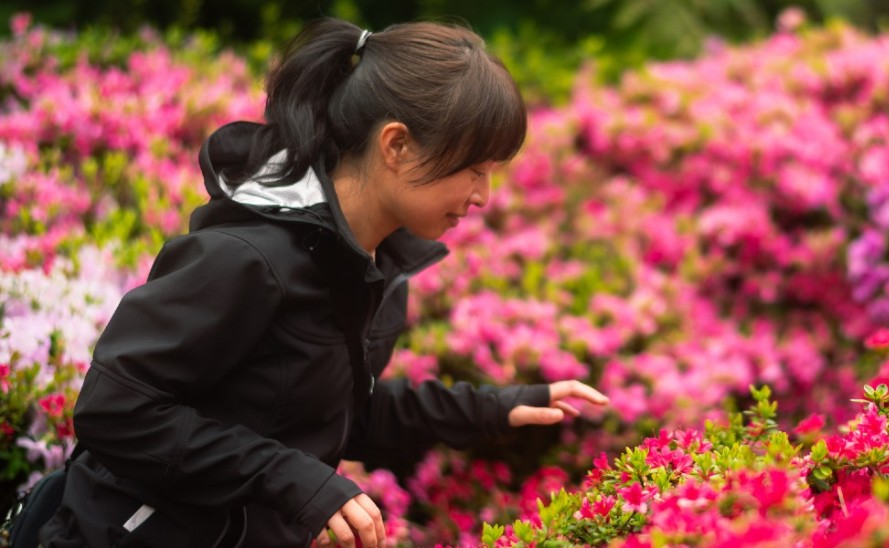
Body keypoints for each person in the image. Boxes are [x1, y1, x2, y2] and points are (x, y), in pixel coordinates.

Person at [37, 17, 608, 548]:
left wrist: (498, 407)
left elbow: (332, 413)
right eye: (474, 170)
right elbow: (114, 410)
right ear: (396, 145)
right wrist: (287, 475)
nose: (484, 196)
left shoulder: (372, 263)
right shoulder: (244, 258)